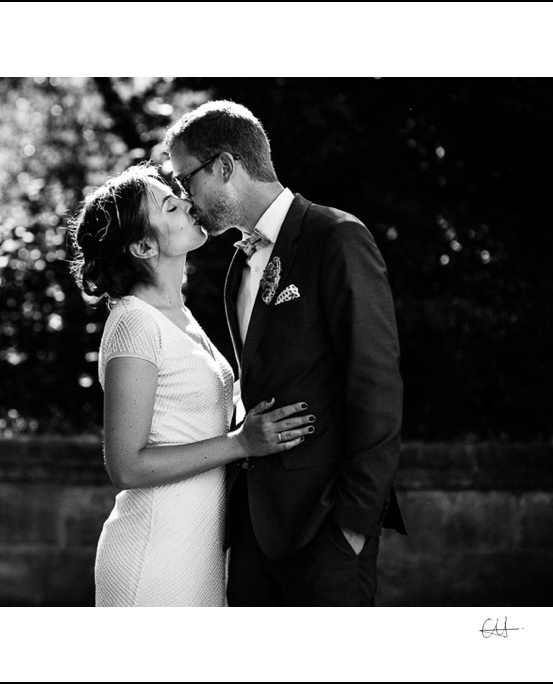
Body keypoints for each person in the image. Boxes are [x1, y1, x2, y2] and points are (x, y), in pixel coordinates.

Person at [166, 101, 407, 607]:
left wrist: (354, 526)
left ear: (225, 167)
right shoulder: (238, 267)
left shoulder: (336, 238)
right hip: (255, 533)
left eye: (187, 181)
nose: (186, 201)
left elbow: (376, 385)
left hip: (326, 530)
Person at [69, 163, 315, 607]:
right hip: (153, 559)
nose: (187, 202)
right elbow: (126, 467)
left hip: (197, 554)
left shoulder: (178, 315)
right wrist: (241, 444)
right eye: (170, 205)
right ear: (144, 245)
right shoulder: (133, 324)